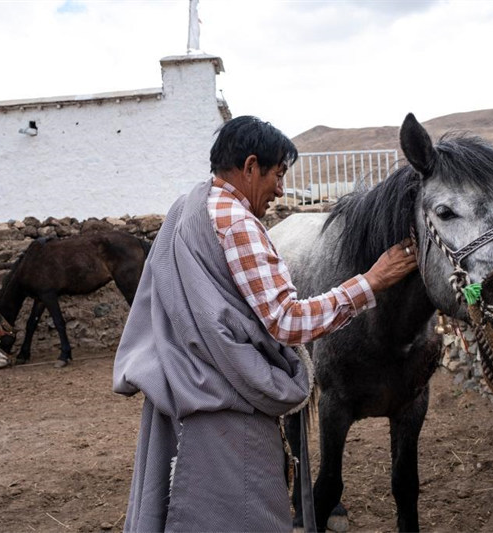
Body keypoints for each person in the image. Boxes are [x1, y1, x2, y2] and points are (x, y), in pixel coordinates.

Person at [112, 116, 418, 532]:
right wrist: (372, 281)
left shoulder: (188, 209)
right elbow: (286, 321)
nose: (280, 190)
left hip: (185, 388)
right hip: (228, 399)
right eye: (278, 175)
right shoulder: (238, 224)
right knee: (243, 513)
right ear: (251, 166)